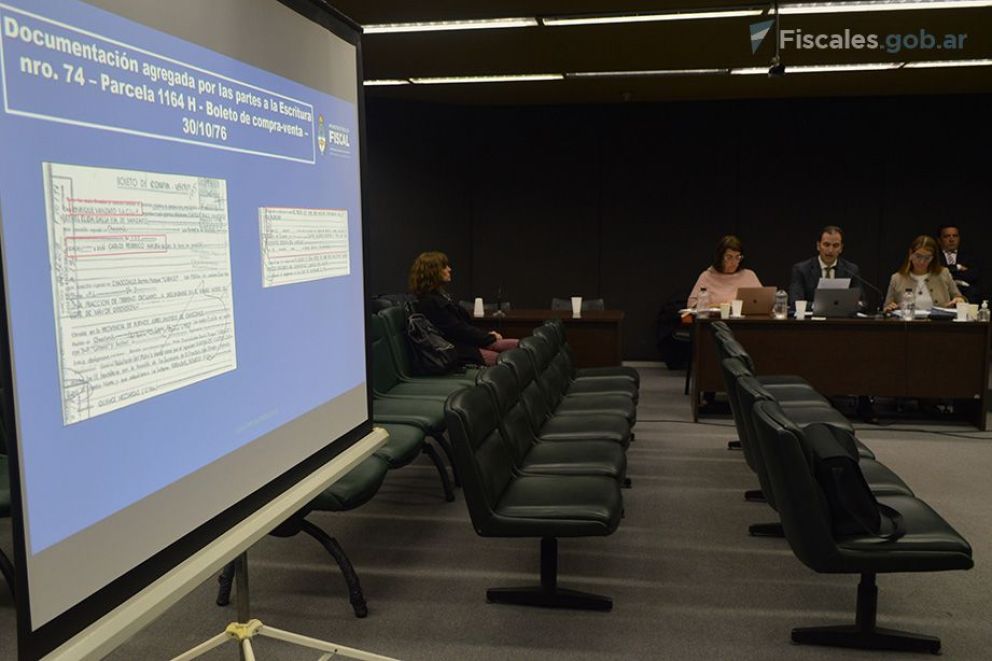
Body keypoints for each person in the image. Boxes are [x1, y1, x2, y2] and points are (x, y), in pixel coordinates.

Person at [408, 251, 517, 366]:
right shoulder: (429, 303)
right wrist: (489, 337)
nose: (449, 269)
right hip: (456, 352)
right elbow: (458, 330)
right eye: (444, 267)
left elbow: (462, 327)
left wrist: (487, 336)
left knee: (521, 346)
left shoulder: (438, 297)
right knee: (508, 362)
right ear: (432, 272)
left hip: (467, 344)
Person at [884, 235, 966, 312]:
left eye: (927, 258)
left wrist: (959, 300)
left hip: (939, 321)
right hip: (907, 321)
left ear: (933, 258)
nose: (922, 261)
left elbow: (960, 298)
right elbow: (887, 308)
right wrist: (889, 308)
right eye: (918, 256)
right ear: (910, 253)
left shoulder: (943, 274)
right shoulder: (897, 278)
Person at [788, 225, 863, 305]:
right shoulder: (801, 270)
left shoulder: (851, 270)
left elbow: (862, 302)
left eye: (835, 245)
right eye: (826, 245)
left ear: (841, 248)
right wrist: (822, 306)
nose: (830, 250)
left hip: (841, 313)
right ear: (818, 246)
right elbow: (795, 302)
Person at [687, 235, 761, 308]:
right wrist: (719, 306)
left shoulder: (749, 275)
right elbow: (691, 304)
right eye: (729, 257)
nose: (734, 262)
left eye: (737, 257)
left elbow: (763, 301)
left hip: (745, 316)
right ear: (720, 257)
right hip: (715, 316)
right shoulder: (706, 276)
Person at [937, 224, 981, 303]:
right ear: (939, 240)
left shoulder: (969, 256)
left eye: (955, 236)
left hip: (966, 293)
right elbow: (937, 274)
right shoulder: (935, 256)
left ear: (959, 238)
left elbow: (973, 275)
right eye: (947, 236)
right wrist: (958, 268)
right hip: (942, 292)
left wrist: (949, 272)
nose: (951, 239)